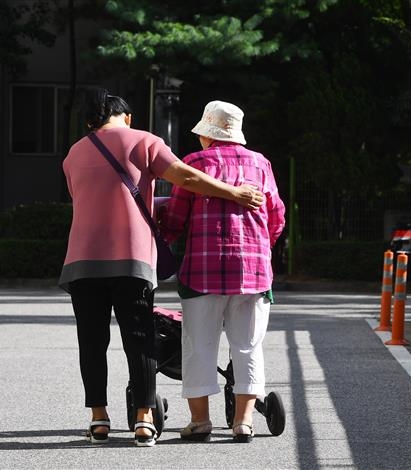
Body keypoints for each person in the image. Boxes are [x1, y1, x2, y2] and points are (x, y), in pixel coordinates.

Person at [58, 90, 264, 447]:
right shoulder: (144, 141)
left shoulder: (73, 154)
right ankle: (143, 420)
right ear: (126, 117)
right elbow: (187, 177)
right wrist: (235, 194)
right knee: (139, 340)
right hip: (131, 258)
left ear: (91, 121)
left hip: (82, 261)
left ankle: (98, 419)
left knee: (91, 342)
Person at [160, 100, 286, 443]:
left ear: (207, 135)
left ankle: (200, 422)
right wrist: (261, 247)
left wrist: (162, 240)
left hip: (203, 269)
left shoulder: (195, 162)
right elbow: (277, 217)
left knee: (199, 345)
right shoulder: (261, 164)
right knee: (248, 346)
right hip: (254, 272)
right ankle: (243, 423)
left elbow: (175, 215)